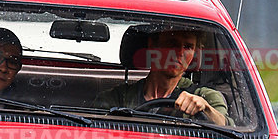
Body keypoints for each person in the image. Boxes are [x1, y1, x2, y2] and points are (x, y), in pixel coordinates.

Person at [99, 26, 231, 125]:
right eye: (172, 44)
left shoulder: (204, 96)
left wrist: (206, 109)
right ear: (153, 45)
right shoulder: (116, 98)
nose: (180, 53)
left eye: (188, 47)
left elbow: (229, 129)